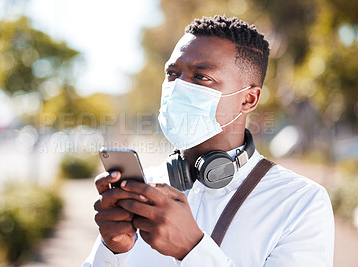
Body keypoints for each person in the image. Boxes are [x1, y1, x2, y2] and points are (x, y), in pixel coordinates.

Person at [83, 15, 334, 266]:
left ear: (248, 99)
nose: (178, 86)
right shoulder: (144, 188)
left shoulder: (301, 203)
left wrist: (192, 250)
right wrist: (112, 250)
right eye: (172, 73)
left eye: (201, 77)